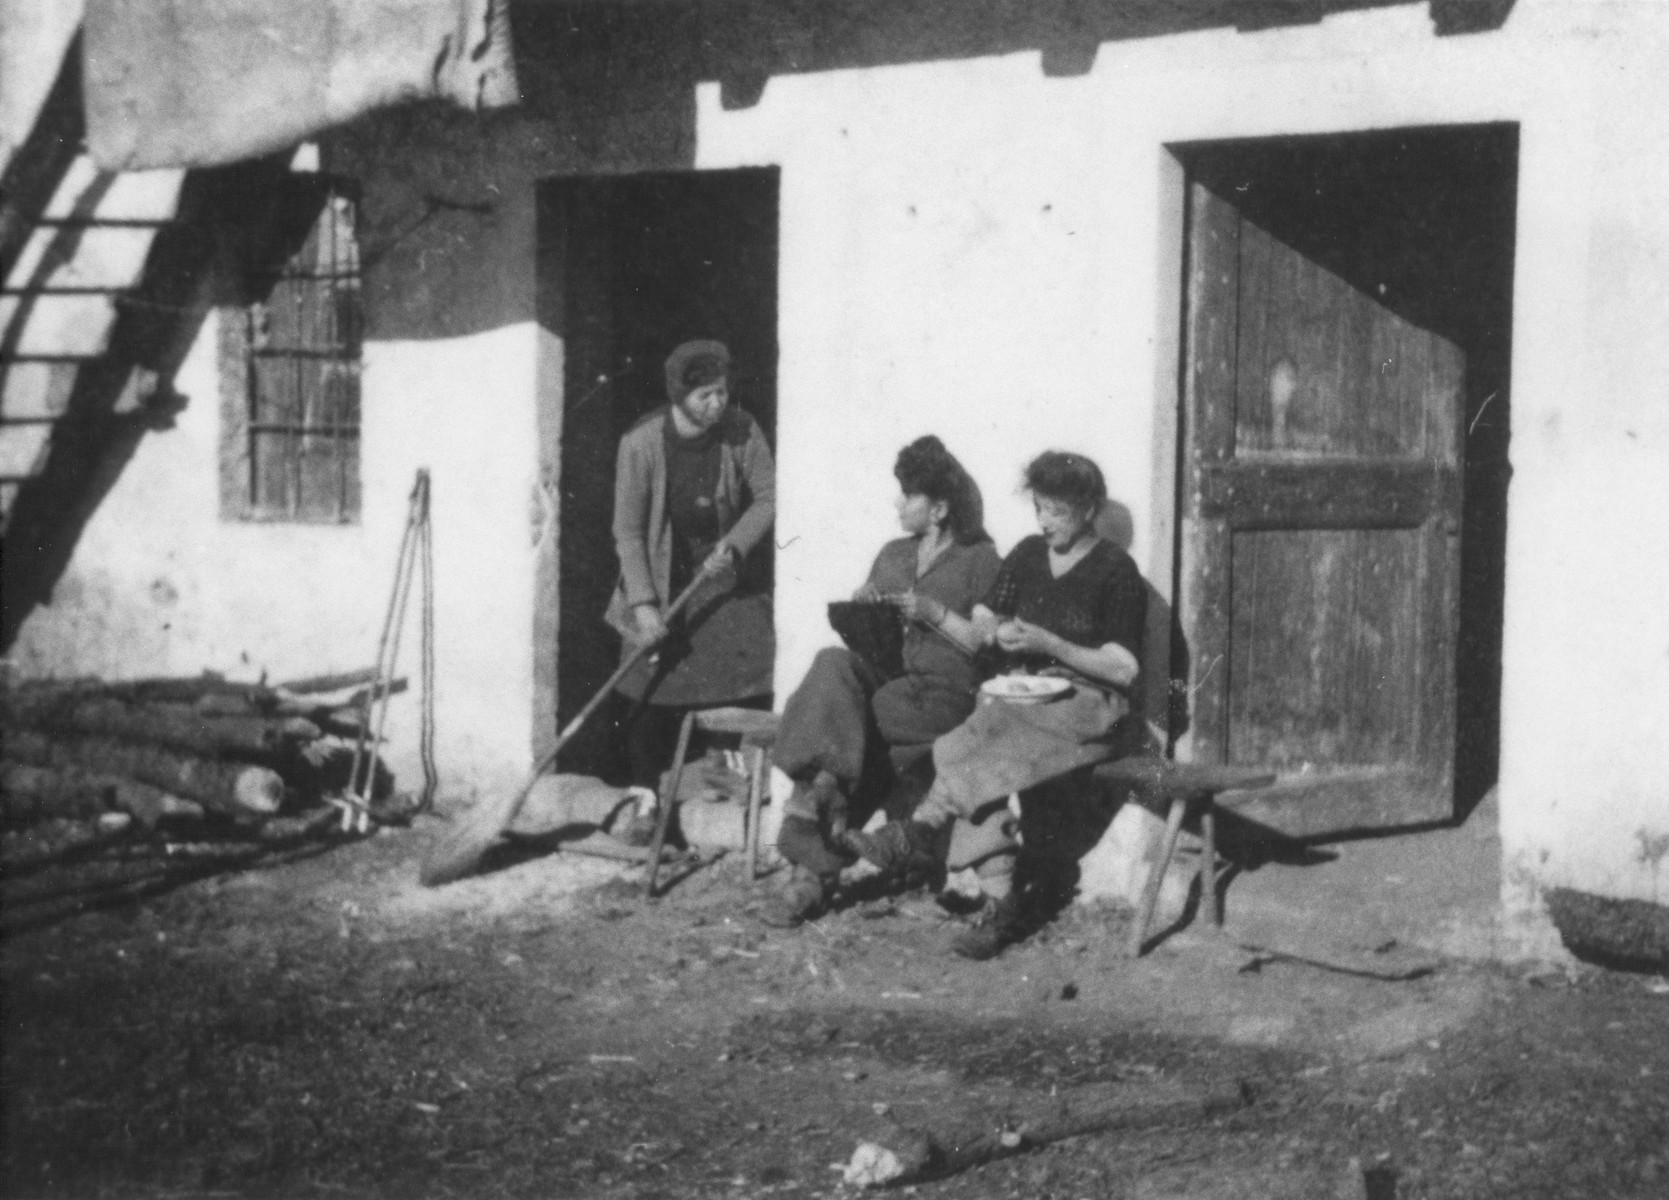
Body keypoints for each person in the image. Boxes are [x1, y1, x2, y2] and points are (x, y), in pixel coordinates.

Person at [845, 450, 1147, 960]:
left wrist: (1051, 645)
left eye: (1058, 512)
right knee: (958, 743)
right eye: (1040, 508)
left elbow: (1124, 669)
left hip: (1089, 704)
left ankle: (921, 833)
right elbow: (984, 618)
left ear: (1088, 511)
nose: (1045, 522)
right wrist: (994, 631)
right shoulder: (1029, 553)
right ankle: (996, 901)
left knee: (984, 757)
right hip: (1027, 695)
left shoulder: (1116, 569)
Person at [760, 436, 1002, 927]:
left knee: (855, 734)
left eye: (907, 496)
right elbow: (871, 642)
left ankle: (809, 869)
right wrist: (864, 606)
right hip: (890, 680)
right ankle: (822, 793)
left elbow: (985, 642)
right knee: (832, 663)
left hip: (942, 693)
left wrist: (935, 613)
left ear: (937, 509)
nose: (898, 504)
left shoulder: (981, 559)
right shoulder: (893, 553)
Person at [605, 339, 776, 793]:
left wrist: (736, 544)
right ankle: (643, 794)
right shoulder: (641, 443)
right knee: (647, 678)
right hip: (658, 576)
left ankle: (722, 770)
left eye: (722, 391)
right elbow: (628, 532)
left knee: (740, 661)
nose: (718, 403)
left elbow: (768, 496)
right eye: (706, 396)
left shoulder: (741, 429)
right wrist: (642, 604)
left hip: (719, 572)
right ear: (680, 397)